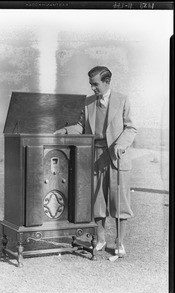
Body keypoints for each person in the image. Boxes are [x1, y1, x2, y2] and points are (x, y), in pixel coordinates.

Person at [54, 66, 137, 256]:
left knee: (120, 202)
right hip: (94, 157)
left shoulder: (123, 99)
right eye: (91, 84)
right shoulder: (88, 102)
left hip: (117, 157)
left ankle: (120, 242)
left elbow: (131, 128)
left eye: (95, 84)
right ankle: (100, 239)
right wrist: (65, 130)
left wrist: (121, 145)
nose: (92, 88)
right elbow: (81, 127)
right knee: (97, 201)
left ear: (107, 82)